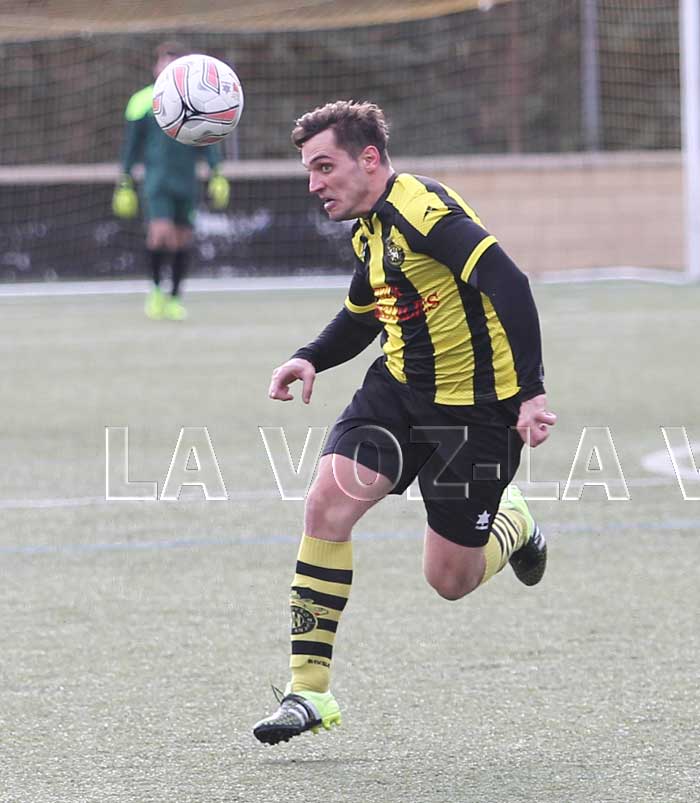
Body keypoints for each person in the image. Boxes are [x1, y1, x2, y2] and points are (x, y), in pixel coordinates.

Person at [252, 101, 557, 746]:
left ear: (369, 159)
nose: (314, 184)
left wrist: (531, 393)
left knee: (450, 580)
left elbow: (510, 282)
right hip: (396, 395)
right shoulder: (368, 229)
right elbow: (364, 313)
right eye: (309, 171)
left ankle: (516, 524)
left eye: (325, 166)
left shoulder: (424, 212)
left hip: (477, 412)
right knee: (326, 506)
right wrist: (310, 357)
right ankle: (309, 692)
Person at [112, 41, 230, 321]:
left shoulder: (196, 101)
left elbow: (208, 140)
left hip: (186, 181)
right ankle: (155, 291)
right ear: (156, 67)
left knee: (181, 239)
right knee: (160, 233)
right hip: (157, 181)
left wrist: (216, 172)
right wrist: (125, 180)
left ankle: (175, 298)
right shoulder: (142, 101)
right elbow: (131, 146)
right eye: (163, 62)